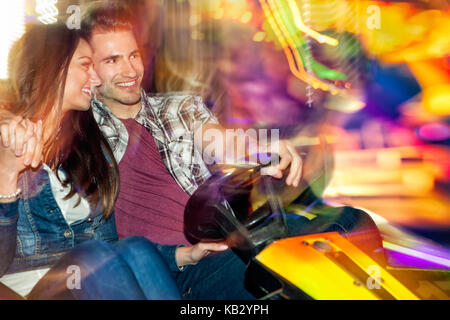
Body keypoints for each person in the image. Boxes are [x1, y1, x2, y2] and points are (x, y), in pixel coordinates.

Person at [0, 23, 227, 300]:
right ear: (52, 67)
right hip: (27, 290)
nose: (95, 79)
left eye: (134, 55)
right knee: (93, 257)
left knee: (135, 248)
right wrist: (6, 173)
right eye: (86, 65)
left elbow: (110, 244)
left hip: (94, 283)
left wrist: (185, 254)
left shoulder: (92, 151)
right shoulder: (7, 140)